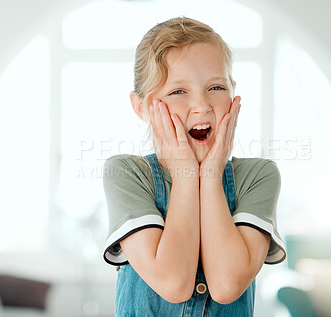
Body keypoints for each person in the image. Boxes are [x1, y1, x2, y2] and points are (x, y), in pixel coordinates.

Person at [102, 16, 286, 317]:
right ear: (142, 107)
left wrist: (211, 175)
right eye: (178, 91)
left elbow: (227, 286)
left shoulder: (258, 176)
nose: (201, 105)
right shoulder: (127, 174)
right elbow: (173, 283)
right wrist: (187, 176)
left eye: (216, 87)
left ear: (233, 92)